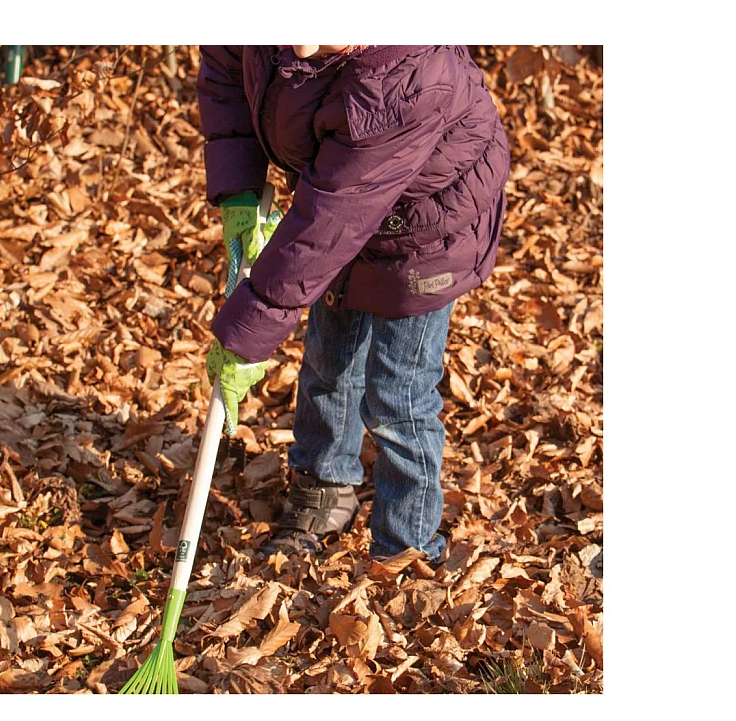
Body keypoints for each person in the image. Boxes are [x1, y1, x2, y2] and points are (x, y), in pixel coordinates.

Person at [197, 45, 510, 561]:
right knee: (329, 361)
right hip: (337, 196)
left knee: (398, 393)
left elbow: (327, 226)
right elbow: (227, 68)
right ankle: (323, 492)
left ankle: (405, 546)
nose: (298, 42)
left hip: (427, 232)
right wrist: (238, 192)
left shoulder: (406, 72)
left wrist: (248, 335)